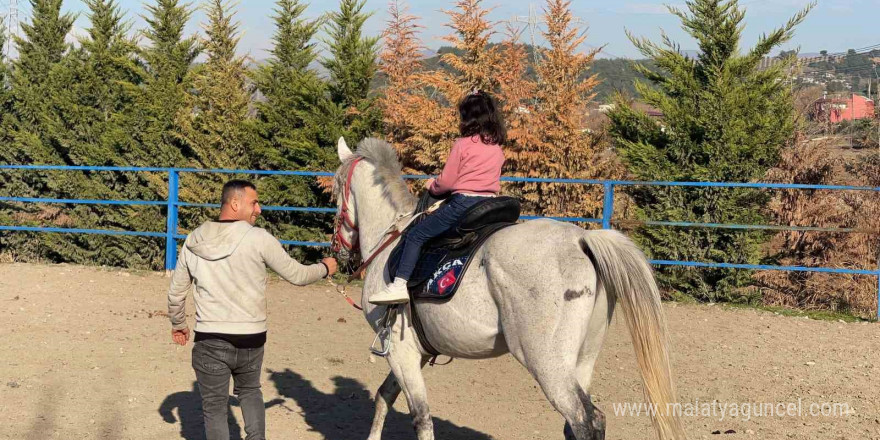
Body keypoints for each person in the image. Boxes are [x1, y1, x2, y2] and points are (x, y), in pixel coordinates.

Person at [167, 179, 337, 440]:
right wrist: (326, 268)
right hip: (252, 337)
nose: (259, 209)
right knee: (249, 392)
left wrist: (178, 323)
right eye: (254, 202)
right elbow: (298, 275)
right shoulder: (259, 238)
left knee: (214, 408)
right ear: (235, 203)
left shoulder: (193, 240)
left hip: (210, 339)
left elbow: (177, 291)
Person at [370, 90, 507, 305]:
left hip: (463, 204)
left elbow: (448, 182)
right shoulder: (497, 147)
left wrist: (432, 186)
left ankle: (398, 285)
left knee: (416, 234)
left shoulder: (462, 144)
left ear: (468, 116)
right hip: (489, 204)